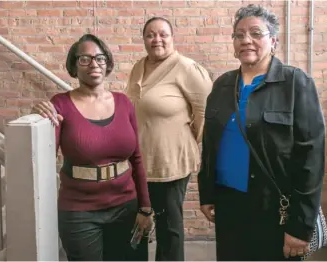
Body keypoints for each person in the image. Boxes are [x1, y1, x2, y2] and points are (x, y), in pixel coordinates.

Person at [197, 4, 326, 261]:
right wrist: (207, 193)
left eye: (256, 33)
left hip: (275, 209)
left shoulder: (295, 84)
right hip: (229, 204)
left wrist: (300, 226)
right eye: (239, 35)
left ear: (273, 40)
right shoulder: (222, 85)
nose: (246, 40)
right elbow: (211, 146)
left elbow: (312, 158)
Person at [31, 34, 153, 261]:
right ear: (74, 66)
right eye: (84, 59)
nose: (93, 64)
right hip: (80, 211)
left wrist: (145, 207)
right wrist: (38, 116)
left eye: (99, 58)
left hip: (126, 206)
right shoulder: (60, 104)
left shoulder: (124, 102)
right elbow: (43, 158)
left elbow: (136, 158)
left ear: (107, 63)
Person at [125, 17, 213, 261]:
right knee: (141, 220)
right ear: (144, 40)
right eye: (150, 35)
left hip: (170, 161)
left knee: (168, 225)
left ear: (172, 38)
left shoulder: (186, 68)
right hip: (141, 161)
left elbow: (205, 112)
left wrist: (181, 139)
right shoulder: (138, 67)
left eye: (163, 34)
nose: (157, 40)